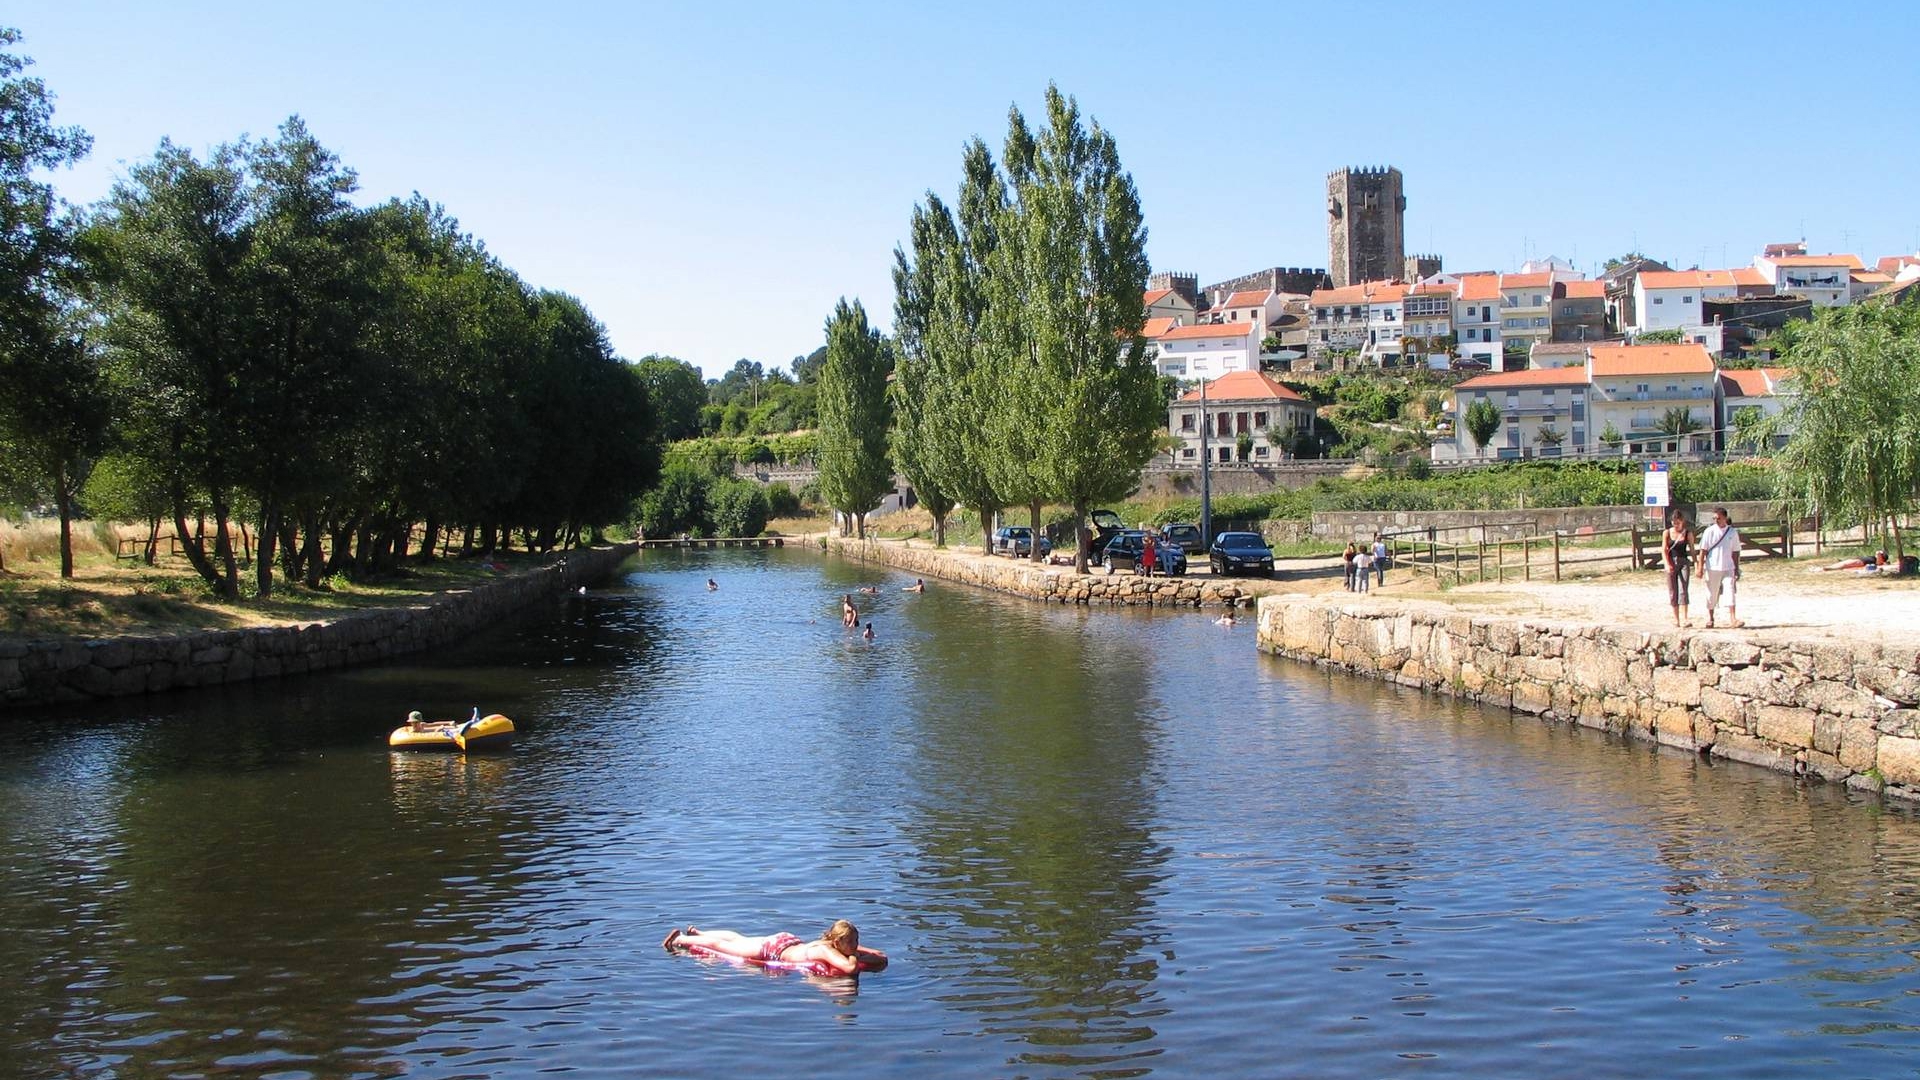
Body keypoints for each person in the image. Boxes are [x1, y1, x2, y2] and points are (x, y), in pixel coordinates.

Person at [663, 920, 876, 977]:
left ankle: (699, 933)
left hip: (786, 940)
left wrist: (856, 950)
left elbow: (881, 956)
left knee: (739, 939)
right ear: (837, 942)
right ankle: (681, 939)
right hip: (775, 951)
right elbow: (850, 969)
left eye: (856, 940)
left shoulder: (828, 943)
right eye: (851, 942)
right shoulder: (826, 950)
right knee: (724, 947)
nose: (855, 945)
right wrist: (855, 957)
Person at [1696, 506, 1742, 628]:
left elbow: (1736, 551)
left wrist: (1736, 568)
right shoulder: (1709, 531)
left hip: (1728, 567)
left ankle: (1733, 618)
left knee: (1730, 591)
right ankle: (1710, 618)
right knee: (1712, 593)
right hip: (1712, 567)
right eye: (1715, 518)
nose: (1716, 520)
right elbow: (1703, 550)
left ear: (1725, 518)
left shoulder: (1732, 532)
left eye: (1719, 518)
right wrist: (1700, 567)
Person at [1662, 513, 1693, 627]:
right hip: (1671, 561)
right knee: (1673, 590)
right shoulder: (1667, 533)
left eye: (1678, 523)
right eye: (1674, 523)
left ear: (1682, 521)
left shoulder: (1687, 533)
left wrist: (1696, 562)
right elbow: (1664, 549)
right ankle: (1676, 619)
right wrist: (1666, 564)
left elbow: (1692, 549)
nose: (1676, 525)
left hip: (1683, 561)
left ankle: (1685, 618)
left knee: (1683, 589)